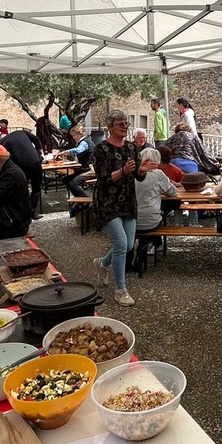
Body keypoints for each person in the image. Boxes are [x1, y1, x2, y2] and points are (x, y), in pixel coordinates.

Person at [91, 110, 146, 306]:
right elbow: (103, 179)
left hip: (127, 201)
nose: (124, 127)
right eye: (120, 124)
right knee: (121, 244)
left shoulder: (132, 147)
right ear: (110, 127)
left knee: (128, 245)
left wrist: (142, 170)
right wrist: (122, 171)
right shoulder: (101, 149)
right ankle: (120, 290)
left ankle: (102, 263)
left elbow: (138, 176)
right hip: (107, 202)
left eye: (126, 124)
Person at [2, 127, 44, 218]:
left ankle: (22, 212)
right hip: (34, 161)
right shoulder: (21, 132)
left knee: (22, 189)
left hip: (20, 165)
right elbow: (36, 139)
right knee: (36, 187)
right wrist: (39, 150)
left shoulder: (3, 142)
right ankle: (32, 212)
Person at [64, 126, 96, 218]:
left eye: (74, 135)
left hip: (90, 170)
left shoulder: (84, 142)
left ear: (79, 134)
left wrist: (66, 152)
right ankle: (79, 200)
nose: (73, 137)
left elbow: (79, 150)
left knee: (73, 183)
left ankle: (85, 201)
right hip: (85, 168)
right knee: (66, 179)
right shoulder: (84, 141)